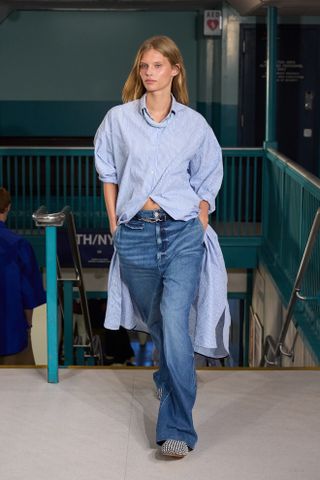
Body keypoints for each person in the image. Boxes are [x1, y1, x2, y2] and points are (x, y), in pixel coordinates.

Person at [94, 35, 231, 458]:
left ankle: (177, 429)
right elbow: (108, 171)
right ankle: (167, 378)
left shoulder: (194, 124)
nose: (149, 73)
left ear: (175, 70)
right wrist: (115, 223)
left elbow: (210, 171)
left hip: (181, 233)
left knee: (176, 321)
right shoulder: (118, 119)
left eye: (157, 65)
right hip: (134, 234)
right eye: (144, 66)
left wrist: (203, 210)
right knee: (157, 320)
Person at [0, 187, 46, 365]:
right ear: (8, 207)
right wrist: (28, 324)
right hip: (11, 332)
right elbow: (29, 293)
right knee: (18, 388)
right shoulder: (19, 245)